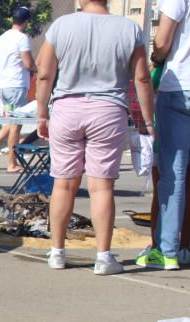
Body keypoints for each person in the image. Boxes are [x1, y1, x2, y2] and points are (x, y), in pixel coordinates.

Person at [36, 0, 155, 274]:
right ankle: (103, 257)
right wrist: (146, 121)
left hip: (66, 108)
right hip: (109, 109)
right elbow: (142, 78)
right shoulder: (128, 28)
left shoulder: (62, 25)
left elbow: (44, 74)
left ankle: (57, 252)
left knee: (63, 184)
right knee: (101, 187)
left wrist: (42, 113)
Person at [140, 0, 190, 270]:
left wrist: (156, 59)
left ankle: (166, 250)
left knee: (173, 175)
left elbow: (162, 40)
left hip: (180, 86)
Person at [0, 7, 35, 173]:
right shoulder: (22, 38)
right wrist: (39, 69)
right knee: (16, 124)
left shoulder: (1, 38)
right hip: (16, 85)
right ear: (26, 21)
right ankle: (12, 162)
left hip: (2, 85)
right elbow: (28, 64)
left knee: (11, 121)